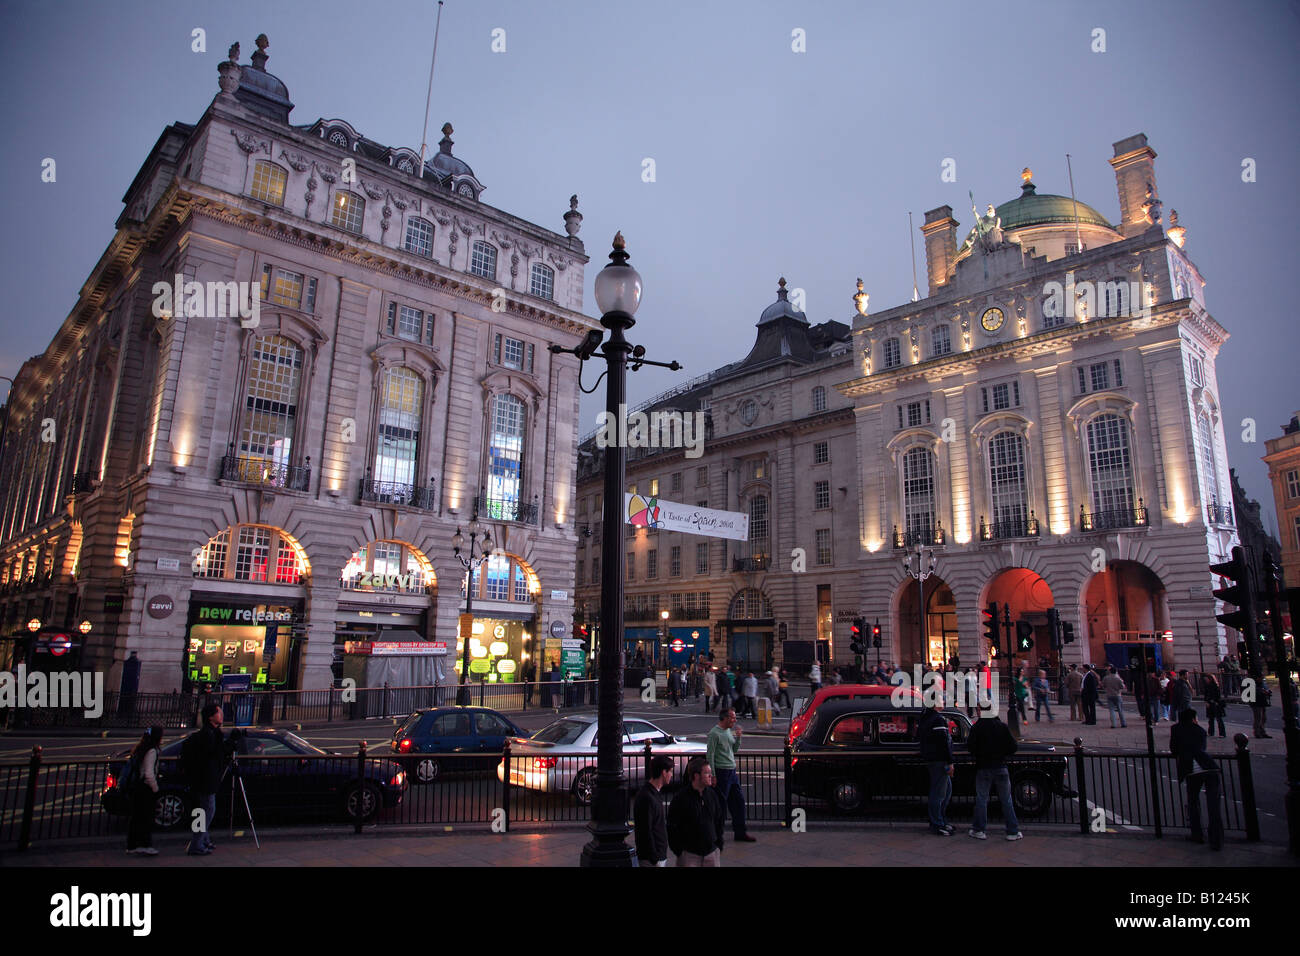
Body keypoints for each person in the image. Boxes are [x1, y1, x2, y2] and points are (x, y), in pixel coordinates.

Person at [1169, 708, 1223, 850]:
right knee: (1213, 806)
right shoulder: (1200, 731)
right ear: (1193, 718)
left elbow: (1173, 749)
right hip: (1210, 768)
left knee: (1193, 802)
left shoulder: (1176, 729)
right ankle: (1216, 839)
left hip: (1192, 769)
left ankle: (1197, 834)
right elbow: (1202, 749)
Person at [967, 709, 1021, 841]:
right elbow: (1013, 747)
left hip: (983, 767)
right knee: (1006, 800)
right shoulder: (1001, 726)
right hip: (1000, 766)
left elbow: (971, 748)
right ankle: (1012, 831)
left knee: (982, 799)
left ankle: (979, 829)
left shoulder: (977, 727)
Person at [706, 708, 756, 842]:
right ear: (725, 718)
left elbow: (733, 750)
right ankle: (717, 835)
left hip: (732, 771)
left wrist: (738, 738)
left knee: (739, 803)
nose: (735, 720)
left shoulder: (728, 731)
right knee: (721, 806)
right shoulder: (714, 733)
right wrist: (713, 775)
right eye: (733, 718)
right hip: (721, 772)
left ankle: (740, 832)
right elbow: (710, 755)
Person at [183, 703, 226, 856]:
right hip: (204, 780)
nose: (221, 714)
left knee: (202, 811)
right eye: (218, 712)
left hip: (203, 779)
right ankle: (196, 844)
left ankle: (204, 840)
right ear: (211, 717)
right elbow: (212, 755)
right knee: (205, 812)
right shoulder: (208, 735)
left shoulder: (212, 733)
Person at [667, 757, 726, 866]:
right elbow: (672, 826)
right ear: (696, 776)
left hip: (711, 853)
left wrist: (718, 844)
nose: (710, 776)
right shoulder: (681, 798)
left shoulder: (712, 795)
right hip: (689, 855)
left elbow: (719, 820)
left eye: (710, 773)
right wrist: (679, 851)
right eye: (707, 773)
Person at [126, 725, 163, 855]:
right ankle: (145, 844)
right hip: (145, 788)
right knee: (146, 818)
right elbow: (149, 773)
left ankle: (132, 845)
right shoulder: (152, 751)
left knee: (136, 818)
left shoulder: (140, 748)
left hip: (136, 787)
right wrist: (155, 788)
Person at [919, 703, 954, 835]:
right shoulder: (938, 719)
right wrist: (950, 761)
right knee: (939, 793)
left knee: (945, 791)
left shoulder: (926, 717)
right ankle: (937, 823)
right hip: (940, 760)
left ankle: (941, 820)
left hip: (933, 759)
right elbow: (943, 741)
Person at [634, 755, 674, 867]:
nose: (671, 775)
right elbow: (646, 830)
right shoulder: (647, 797)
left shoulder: (653, 793)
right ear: (663, 772)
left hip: (656, 856)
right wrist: (654, 858)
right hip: (652, 858)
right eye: (670, 771)